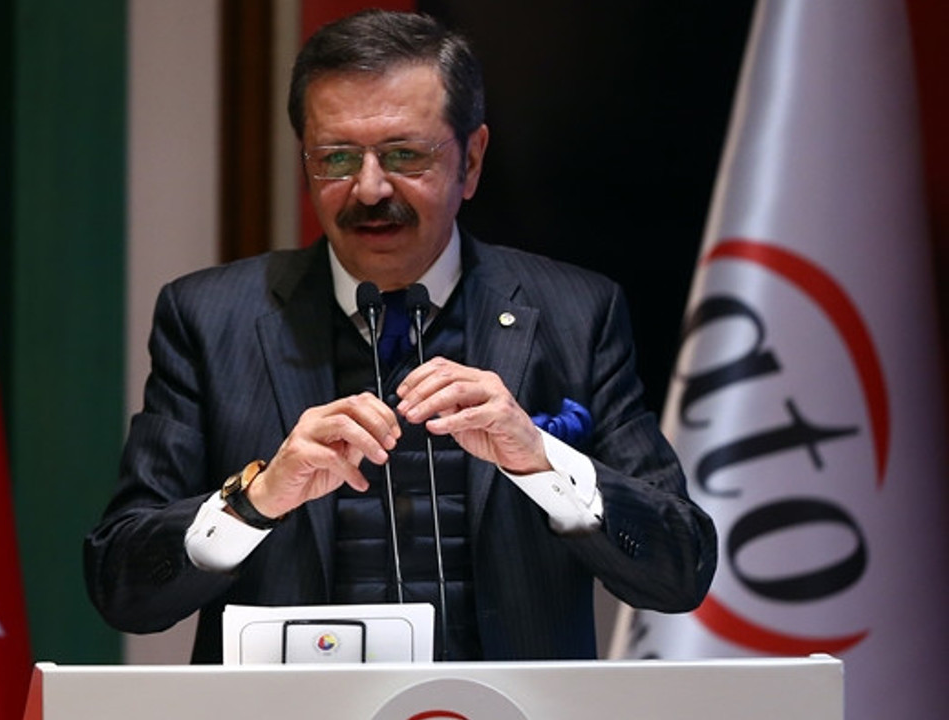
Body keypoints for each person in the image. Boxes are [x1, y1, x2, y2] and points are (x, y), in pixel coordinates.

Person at [84, 9, 716, 663]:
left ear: (472, 160)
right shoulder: (210, 318)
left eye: (405, 155)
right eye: (336, 158)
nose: (369, 188)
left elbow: (680, 569)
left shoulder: (575, 313)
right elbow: (122, 589)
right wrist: (256, 501)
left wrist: (541, 459)